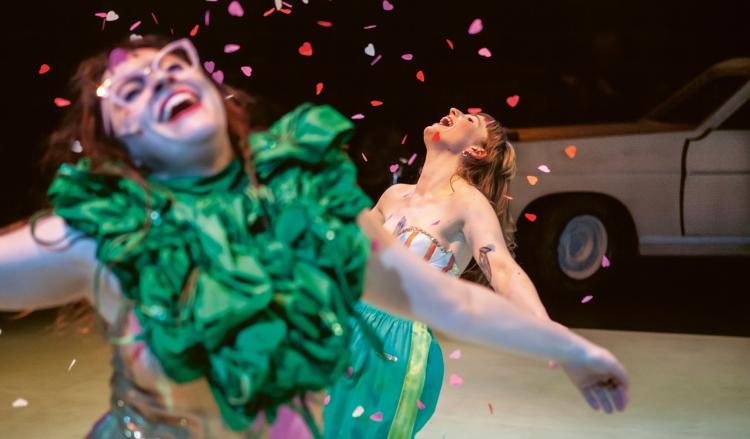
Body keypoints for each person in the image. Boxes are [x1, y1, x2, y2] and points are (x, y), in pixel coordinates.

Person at [0, 36, 629, 439]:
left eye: (175, 64)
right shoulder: (99, 231)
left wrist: (564, 345)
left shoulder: (326, 199)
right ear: (115, 139)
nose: (162, 78)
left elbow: (479, 284)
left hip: (388, 345)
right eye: (131, 88)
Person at [324, 108, 568, 438]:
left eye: (470, 118)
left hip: (395, 344)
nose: (453, 110)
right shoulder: (393, 196)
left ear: (476, 151)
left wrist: (545, 328)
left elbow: (503, 270)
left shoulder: (467, 204)